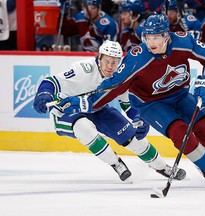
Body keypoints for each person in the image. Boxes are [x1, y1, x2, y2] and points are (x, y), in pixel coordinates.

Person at [58, 14, 205, 190]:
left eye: (155, 37)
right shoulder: (137, 57)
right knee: (180, 133)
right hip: (150, 103)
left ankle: (204, 163)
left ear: (166, 36)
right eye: (148, 38)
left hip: (179, 94)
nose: (151, 43)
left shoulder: (183, 42)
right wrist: (87, 102)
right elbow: (114, 85)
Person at [33, 40, 186, 182]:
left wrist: (139, 119)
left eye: (115, 62)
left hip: (98, 109)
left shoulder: (121, 78)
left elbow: (129, 104)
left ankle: (162, 167)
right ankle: (116, 163)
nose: (110, 66)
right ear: (99, 58)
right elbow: (51, 81)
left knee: (132, 137)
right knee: (84, 127)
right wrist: (44, 94)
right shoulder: (84, 69)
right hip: (68, 111)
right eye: (107, 61)